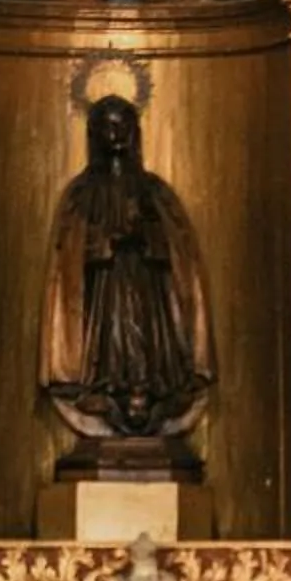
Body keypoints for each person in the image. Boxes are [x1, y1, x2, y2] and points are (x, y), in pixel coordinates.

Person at [40, 95, 214, 470]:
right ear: (96, 133)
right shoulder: (82, 194)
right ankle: (106, 387)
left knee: (147, 348)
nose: (115, 133)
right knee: (111, 343)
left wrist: (146, 236)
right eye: (108, 125)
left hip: (148, 288)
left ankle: (149, 390)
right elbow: (68, 258)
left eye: (122, 125)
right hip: (104, 292)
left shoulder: (154, 192)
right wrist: (105, 242)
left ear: (134, 133)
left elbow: (179, 250)